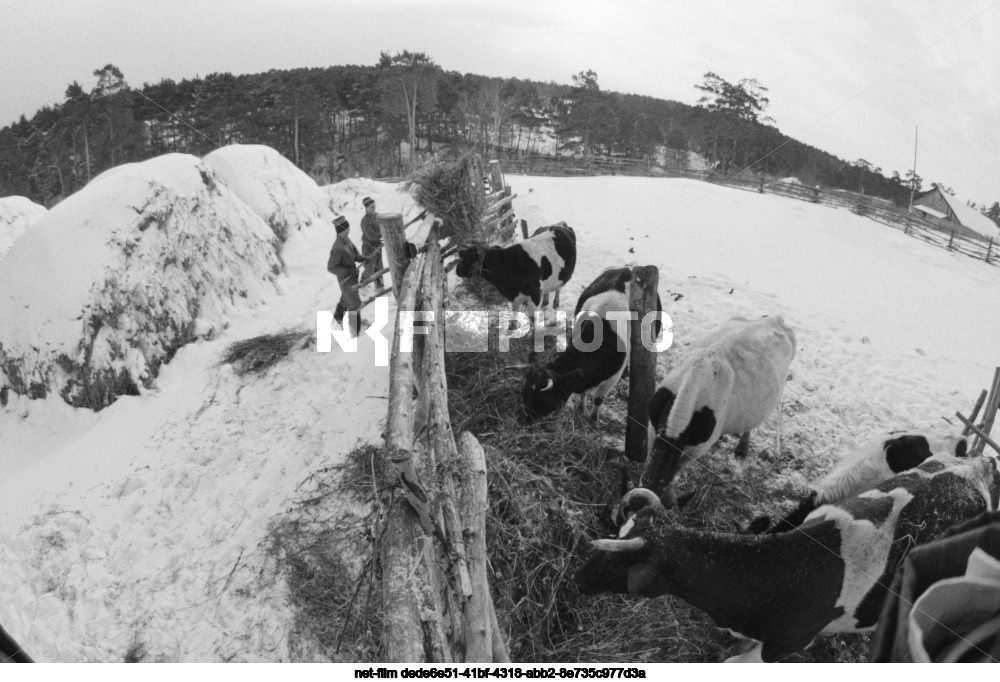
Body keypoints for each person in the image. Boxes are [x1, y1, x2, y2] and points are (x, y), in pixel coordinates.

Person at [327, 215, 367, 335]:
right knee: (355, 304)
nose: (349, 230)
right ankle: (355, 331)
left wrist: (362, 258)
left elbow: (355, 253)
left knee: (346, 298)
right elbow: (331, 267)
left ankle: (336, 322)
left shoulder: (347, 241)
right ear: (341, 231)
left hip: (352, 276)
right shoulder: (337, 247)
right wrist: (346, 272)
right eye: (347, 228)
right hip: (346, 279)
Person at [359, 196, 385, 289]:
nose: (374, 208)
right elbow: (371, 235)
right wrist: (383, 234)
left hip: (377, 245)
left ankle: (380, 286)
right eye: (371, 207)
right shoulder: (365, 220)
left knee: (379, 267)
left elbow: (382, 224)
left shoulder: (376, 216)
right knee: (370, 268)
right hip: (368, 247)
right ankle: (362, 285)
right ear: (366, 208)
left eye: (374, 206)